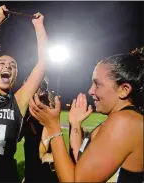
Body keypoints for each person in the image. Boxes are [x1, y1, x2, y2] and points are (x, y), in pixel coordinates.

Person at [29, 49, 144, 182]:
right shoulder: (120, 119)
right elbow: (84, 164)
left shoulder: (125, 122)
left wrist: (53, 127)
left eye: (97, 84)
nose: (90, 90)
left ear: (123, 90)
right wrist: (76, 124)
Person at [0, 5, 48, 182]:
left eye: (13, 65)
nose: (7, 66)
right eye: (2, 63)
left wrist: (39, 26)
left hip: (4, 176)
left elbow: (43, 62)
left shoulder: (18, 102)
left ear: (14, 77)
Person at [23, 79, 59, 183]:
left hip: (43, 173)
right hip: (32, 170)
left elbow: (42, 153)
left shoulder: (45, 111)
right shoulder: (28, 112)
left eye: (32, 86)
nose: (27, 89)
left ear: (42, 91)